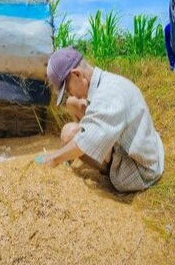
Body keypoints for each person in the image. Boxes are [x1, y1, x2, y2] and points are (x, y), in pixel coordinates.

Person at [38, 47, 165, 193]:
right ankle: (83, 145)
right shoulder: (107, 82)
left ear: (77, 74)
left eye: (67, 89)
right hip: (148, 150)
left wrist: (55, 158)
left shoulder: (107, 98)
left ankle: (105, 168)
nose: (69, 93)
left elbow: (84, 142)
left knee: (70, 134)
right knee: (73, 103)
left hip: (140, 170)